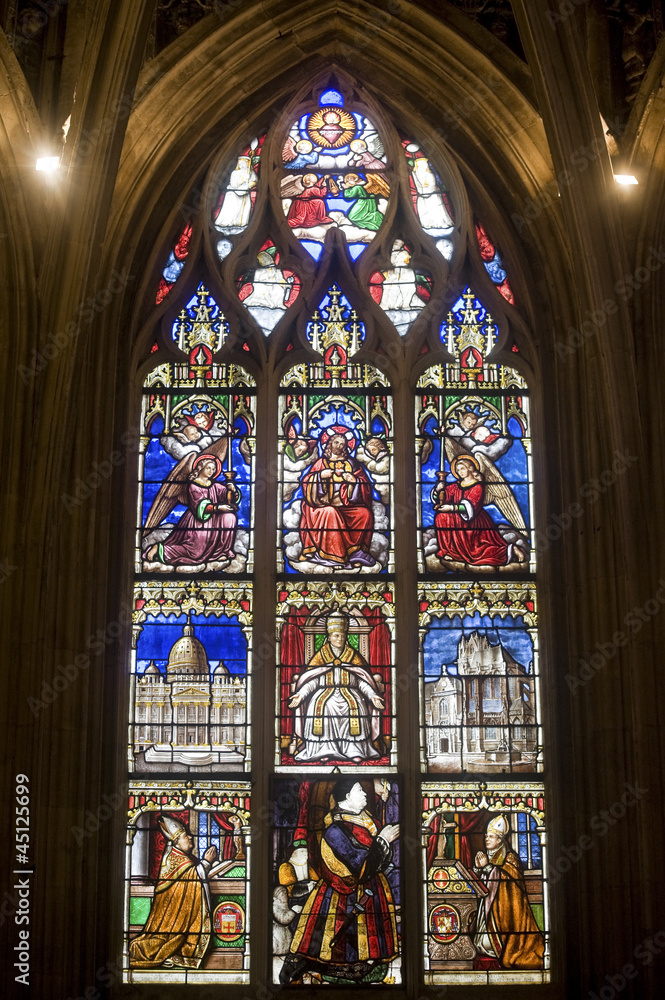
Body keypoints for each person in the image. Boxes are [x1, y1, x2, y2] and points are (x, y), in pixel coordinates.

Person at [281, 778, 399, 984]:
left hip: (371, 891)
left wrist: (381, 842)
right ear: (346, 797)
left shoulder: (368, 823)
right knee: (336, 942)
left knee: (370, 945)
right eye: (359, 790)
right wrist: (382, 841)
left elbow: (376, 863)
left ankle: (367, 967)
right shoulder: (336, 830)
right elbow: (358, 867)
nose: (364, 794)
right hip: (343, 895)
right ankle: (335, 971)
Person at [288, 612, 385, 763]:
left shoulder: (353, 656)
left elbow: (362, 681)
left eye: (342, 636)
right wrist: (300, 694)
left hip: (351, 694)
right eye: (336, 636)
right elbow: (312, 681)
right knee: (326, 705)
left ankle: (355, 750)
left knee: (354, 706)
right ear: (329, 637)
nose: (339, 639)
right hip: (324, 694)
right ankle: (324, 749)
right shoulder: (321, 657)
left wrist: (372, 695)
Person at [130, 815, 218, 969]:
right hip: (173, 925)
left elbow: (192, 878)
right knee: (164, 942)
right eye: (185, 836)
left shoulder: (180, 857)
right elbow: (192, 877)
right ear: (177, 841)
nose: (190, 838)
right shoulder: (176, 859)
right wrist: (206, 862)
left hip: (178, 919)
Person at [472, 814, 544, 970]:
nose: (487, 839)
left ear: (499, 840)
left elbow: (508, 882)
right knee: (480, 941)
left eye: (490, 837)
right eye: (486, 836)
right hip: (486, 909)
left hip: (503, 913)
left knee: (488, 943)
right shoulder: (488, 857)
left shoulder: (511, 858)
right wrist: (479, 869)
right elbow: (483, 884)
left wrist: (487, 868)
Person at [146, 454, 238, 566]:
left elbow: (228, 498)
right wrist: (218, 507)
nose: (211, 471)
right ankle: (160, 549)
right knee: (195, 552)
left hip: (214, 519)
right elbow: (199, 505)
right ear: (201, 468)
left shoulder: (215, 485)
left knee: (230, 517)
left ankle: (221, 551)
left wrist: (231, 490)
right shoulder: (193, 486)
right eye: (208, 468)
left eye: (213, 469)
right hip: (198, 521)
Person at [299, 433, 375, 567]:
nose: (339, 446)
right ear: (329, 444)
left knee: (365, 514)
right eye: (336, 443)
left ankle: (354, 553)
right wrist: (320, 476)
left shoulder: (352, 464)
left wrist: (355, 481)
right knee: (331, 512)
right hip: (320, 506)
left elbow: (366, 487)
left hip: (346, 505)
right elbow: (306, 483)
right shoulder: (321, 463)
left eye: (342, 444)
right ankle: (334, 556)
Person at [432, 454, 510, 566]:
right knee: (440, 517)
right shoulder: (456, 485)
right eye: (458, 470)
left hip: (474, 520)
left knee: (483, 550)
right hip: (459, 516)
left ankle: (511, 551)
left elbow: (472, 506)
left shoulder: (477, 486)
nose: (460, 472)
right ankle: (451, 551)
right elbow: (443, 499)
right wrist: (438, 490)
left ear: (470, 468)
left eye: (462, 468)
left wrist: (452, 508)